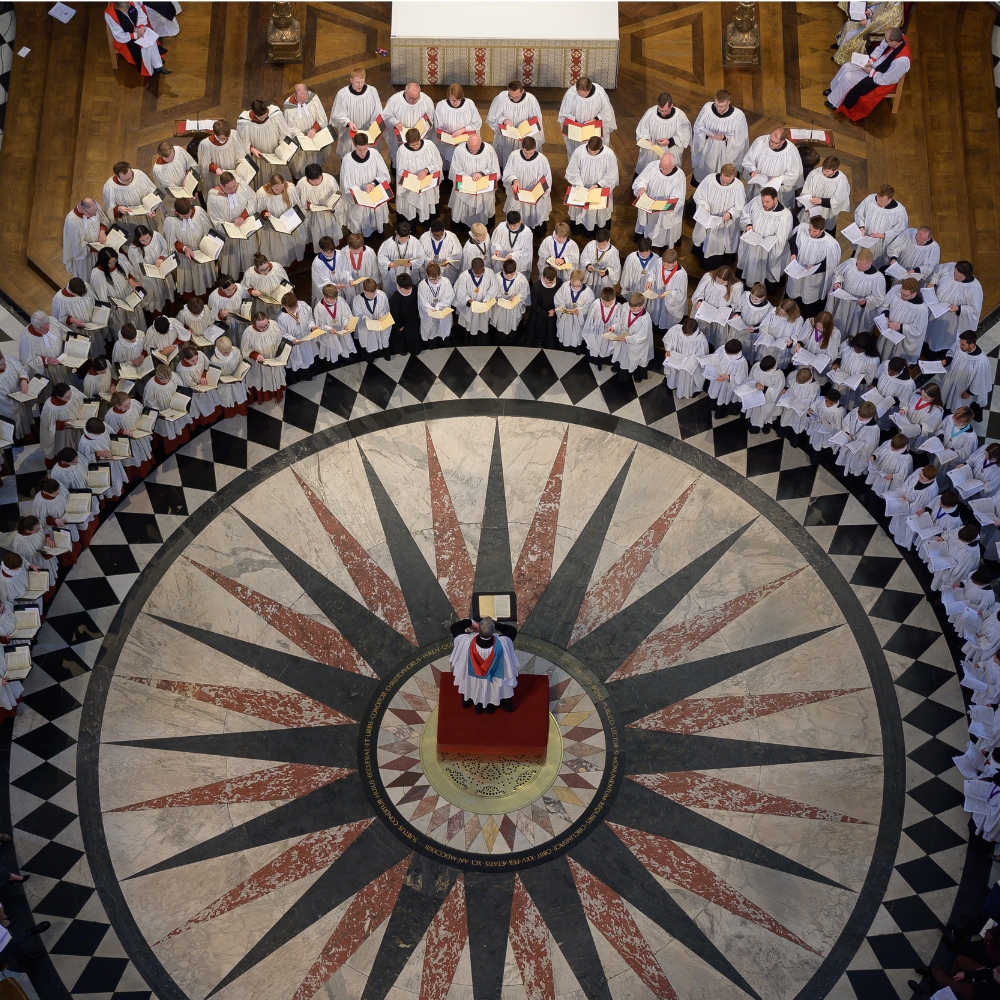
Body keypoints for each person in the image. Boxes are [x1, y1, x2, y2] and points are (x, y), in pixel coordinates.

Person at [828, 27, 911, 121]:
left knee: (849, 77)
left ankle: (835, 102)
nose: (885, 41)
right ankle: (833, 89)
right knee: (847, 66)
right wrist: (871, 61)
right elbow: (881, 48)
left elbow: (886, 79)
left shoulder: (902, 61)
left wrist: (871, 72)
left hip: (879, 79)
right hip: (875, 66)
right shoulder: (899, 37)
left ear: (894, 42)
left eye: (887, 40)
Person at [449, 616, 519, 712]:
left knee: (472, 686)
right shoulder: (503, 642)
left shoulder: (466, 641)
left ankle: (472, 703)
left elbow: (454, 627)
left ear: (478, 629)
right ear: (493, 631)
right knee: (497, 688)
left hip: (473, 677)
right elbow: (511, 630)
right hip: (495, 678)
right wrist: (493, 625)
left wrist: (471, 622)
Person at [786, 215, 842, 318]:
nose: (810, 233)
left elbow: (830, 265)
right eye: (810, 229)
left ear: (822, 230)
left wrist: (814, 268)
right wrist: (794, 253)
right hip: (797, 272)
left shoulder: (830, 244)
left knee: (807, 303)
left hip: (813, 278)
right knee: (794, 295)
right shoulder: (802, 230)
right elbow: (793, 242)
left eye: (814, 231)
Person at [692, 163, 745, 270]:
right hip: (708, 217)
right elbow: (698, 196)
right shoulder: (710, 179)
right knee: (704, 238)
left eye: (727, 182)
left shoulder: (738, 186)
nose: (724, 184)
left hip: (725, 222)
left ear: (734, 177)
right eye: (722, 181)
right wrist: (705, 207)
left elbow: (740, 207)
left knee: (723, 242)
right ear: (721, 173)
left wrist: (730, 214)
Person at [737, 187, 793, 289]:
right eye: (763, 201)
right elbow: (745, 213)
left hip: (767, 251)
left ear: (775, 200)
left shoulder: (785, 216)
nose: (764, 205)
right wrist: (748, 224)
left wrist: (768, 243)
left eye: (767, 202)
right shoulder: (756, 201)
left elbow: (782, 239)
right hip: (752, 245)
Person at [206, 172, 259, 280]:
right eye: (229, 188)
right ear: (222, 186)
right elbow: (217, 221)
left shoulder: (242, 185)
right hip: (229, 235)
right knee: (233, 259)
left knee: (248, 255)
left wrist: (243, 217)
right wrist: (233, 230)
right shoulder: (214, 198)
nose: (233, 190)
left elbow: (252, 202)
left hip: (245, 228)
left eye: (234, 186)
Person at [691, 90, 749, 185]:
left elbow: (740, 139)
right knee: (706, 173)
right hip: (708, 148)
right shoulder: (707, 109)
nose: (718, 108)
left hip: (726, 152)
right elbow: (697, 127)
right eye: (716, 104)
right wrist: (706, 134)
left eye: (721, 106)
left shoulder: (738, 116)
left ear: (728, 102)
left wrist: (724, 137)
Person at [925, 261, 983, 354]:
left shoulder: (974, 288)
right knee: (928, 330)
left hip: (950, 318)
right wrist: (933, 282)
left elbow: (974, 310)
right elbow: (937, 271)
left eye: (959, 277)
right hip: (934, 309)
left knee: (940, 336)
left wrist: (958, 308)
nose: (955, 277)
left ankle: (937, 353)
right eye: (955, 274)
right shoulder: (950, 267)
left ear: (967, 276)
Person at [339, 133, 391, 237]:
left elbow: (385, 175)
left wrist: (373, 183)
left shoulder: (375, 154)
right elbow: (346, 184)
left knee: (377, 222)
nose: (363, 154)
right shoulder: (347, 160)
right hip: (359, 200)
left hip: (374, 196)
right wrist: (360, 193)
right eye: (360, 150)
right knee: (360, 227)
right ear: (354, 145)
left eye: (365, 149)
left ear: (368, 145)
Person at [165, 197, 216, 299]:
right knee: (189, 279)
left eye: (188, 215)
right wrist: (184, 248)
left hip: (202, 252)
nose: (188, 218)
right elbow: (172, 241)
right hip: (185, 257)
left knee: (204, 276)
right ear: (176, 212)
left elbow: (209, 230)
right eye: (184, 216)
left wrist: (207, 244)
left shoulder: (199, 212)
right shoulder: (170, 221)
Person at [487, 80, 545, 170]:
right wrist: (503, 120)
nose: (514, 99)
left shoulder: (530, 100)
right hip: (507, 137)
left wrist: (526, 131)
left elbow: (537, 120)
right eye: (511, 96)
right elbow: (493, 117)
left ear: (522, 91)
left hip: (525, 135)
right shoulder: (502, 98)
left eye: (517, 96)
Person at [565, 136, 619, 233]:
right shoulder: (579, 152)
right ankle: (578, 227)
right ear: (588, 145)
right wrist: (580, 185)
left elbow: (612, 175)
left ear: (601, 146)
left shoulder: (609, 155)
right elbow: (572, 171)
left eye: (595, 152)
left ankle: (597, 230)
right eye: (590, 151)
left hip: (598, 190)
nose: (592, 154)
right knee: (579, 210)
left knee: (597, 211)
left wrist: (598, 185)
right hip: (581, 188)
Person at [632, 152, 686, 249]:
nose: (662, 170)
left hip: (664, 212)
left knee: (662, 232)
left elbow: (678, 200)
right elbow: (641, 180)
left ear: (673, 166)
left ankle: (662, 244)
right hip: (649, 207)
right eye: (661, 167)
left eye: (665, 168)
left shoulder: (679, 176)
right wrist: (641, 188)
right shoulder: (653, 166)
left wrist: (661, 207)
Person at [825, 249, 884, 337]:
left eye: (862, 266)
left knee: (851, 331)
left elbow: (879, 298)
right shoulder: (850, 263)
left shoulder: (878, 278)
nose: (858, 268)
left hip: (857, 309)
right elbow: (838, 273)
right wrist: (837, 282)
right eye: (858, 264)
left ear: (870, 263)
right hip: (842, 302)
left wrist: (865, 301)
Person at [448, 132, 501, 230]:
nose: (473, 152)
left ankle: (484, 225)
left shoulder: (489, 150)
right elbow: (455, 169)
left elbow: (495, 170)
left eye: (476, 150)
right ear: (467, 143)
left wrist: (482, 173)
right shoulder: (459, 150)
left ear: (481, 143)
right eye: (471, 150)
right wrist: (469, 181)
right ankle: (462, 226)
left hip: (483, 187)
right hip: (465, 186)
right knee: (461, 205)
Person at [741, 127, 803, 209]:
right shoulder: (761, 142)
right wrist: (752, 170)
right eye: (770, 140)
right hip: (758, 186)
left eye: (774, 142)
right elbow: (748, 159)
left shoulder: (791, 151)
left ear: (782, 141)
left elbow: (794, 174)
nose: (770, 143)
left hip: (777, 190)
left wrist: (779, 179)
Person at [330, 67, 383, 161]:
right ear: (351, 80)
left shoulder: (372, 91)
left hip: (368, 132)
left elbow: (378, 111)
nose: (360, 85)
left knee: (368, 158)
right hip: (351, 133)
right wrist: (348, 122)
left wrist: (373, 126)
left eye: (362, 82)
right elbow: (338, 114)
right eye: (357, 82)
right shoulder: (343, 94)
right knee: (350, 158)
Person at [502, 136, 553, 233]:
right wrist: (514, 180)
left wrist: (540, 191)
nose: (528, 156)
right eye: (525, 152)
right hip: (519, 194)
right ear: (522, 147)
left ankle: (537, 229)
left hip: (535, 195)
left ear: (535, 148)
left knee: (537, 219)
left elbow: (547, 179)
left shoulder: (542, 159)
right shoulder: (514, 156)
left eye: (531, 153)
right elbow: (507, 173)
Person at [237, 100, 294, 187]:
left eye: (265, 116)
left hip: (275, 152)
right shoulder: (244, 123)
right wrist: (251, 149)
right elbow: (243, 142)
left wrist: (282, 147)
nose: (264, 119)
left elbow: (284, 133)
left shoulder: (275, 114)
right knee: (265, 182)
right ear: (254, 113)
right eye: (261, 118)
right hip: (259, 157)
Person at [104, 1, 168, 76]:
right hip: (126, 38)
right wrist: (134, 35)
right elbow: (119, 35)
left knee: (149, 37)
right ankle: (156, 65)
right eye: (125, 10)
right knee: (145, 46)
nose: (127, 11)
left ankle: (158, 66)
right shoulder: (110, 15)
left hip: (137, 29)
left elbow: (140, 15)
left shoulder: (131, 3)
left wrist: (141, 27)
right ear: (119, 8)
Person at [433, 84, 482, 181]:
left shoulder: (469, 104)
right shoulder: (441, 106)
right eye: (452, 100)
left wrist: (463, 130)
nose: (455, 103)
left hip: (465, 140)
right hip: (448, 142)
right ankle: (449, 178)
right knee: (450, 161)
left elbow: (477, 123)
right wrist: (448, 136)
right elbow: (438, 125)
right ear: (448, 97)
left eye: (458, 100)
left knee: (464, 163)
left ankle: (465, 179)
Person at [558, 76, 617, 157]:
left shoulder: (599, 94)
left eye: (585, 94)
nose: (582, 96)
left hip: (594, 127)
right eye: (580, 94)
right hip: (576, 127)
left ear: (590, 89)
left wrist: (595, 119)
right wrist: (576, 123)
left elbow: (607, 113)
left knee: (593, 149)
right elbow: (565, 113)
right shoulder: (571, 93)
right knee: (577, 151)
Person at [852, 184, 908, 269]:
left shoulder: (899, 211)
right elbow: (859, 213)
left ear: (889, 199)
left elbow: (900, 230)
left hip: (881, 243)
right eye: (878, 199)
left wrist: (884, 235)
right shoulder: (870, 200)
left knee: (876, 264)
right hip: (865, 237)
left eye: (881, 201)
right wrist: (861, 227)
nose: (878, 203)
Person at [395, 126, 443, 225]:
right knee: (411, 205)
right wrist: (411, 176)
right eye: (412, 146)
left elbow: (438, 163)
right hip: (411, 185)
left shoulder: (429, 145)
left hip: (427, 183)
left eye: (416, 144)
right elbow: (400, 171)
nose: (415, 148)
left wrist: (427, 170)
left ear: (420, 138)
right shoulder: (402, 150)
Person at [635, 92, 692, 174]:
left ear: (671, 105)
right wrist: (647, 139)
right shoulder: (651, 113)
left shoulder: (680, 117)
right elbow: (642, 128)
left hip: (670, 151)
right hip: (652, 152)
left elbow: (684, 136)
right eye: (660, 110)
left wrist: (669, 141)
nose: (662, 113)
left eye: (665, 111)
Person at [282, 82, 329, 179]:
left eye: (305, 100)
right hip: (300, 141)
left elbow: (322, 117)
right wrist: (303, 138)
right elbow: (291, 128)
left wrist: (314, 129)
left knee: (316, 161)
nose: (304, 103)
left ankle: (316, 176)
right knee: (300, 165)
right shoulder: (288, 107)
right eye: (301, 101)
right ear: (295, 95)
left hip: (314, 136)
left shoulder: (313, 98)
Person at [296, 163, 347, 251]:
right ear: (307, 178)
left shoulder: (329, 180)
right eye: (313, 181)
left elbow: (338, 197)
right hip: (313, 217)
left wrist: (334, 208)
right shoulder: (301, 185)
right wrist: (308, 206)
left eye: (318, 179)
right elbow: (298, 203)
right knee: (316, 236)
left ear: (321, 175)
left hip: (329, 215)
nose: (316, 183)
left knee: (333, 235)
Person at [833, 1, 903, 65]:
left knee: (850, 34)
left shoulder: (894, 11)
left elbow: (881, 24)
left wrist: (868, 23)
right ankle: (840, 45)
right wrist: (870, 11)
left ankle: (843, 57)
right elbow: (880, 7)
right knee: (848, 24)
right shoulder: (892, 2)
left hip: (876, 30)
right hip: (871, 22)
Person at [103, 160, 160, 237]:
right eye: (126, 180)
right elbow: (108, 208)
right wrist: (118, 209)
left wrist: (153, 209)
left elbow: (153, 191)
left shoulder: (139, 174)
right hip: (128, 220)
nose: (130, 181)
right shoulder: (110, 186)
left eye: (131, 177)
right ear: (117, 176)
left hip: (145, 216)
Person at [383, 82, 435, 167]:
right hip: (400, 139)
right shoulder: (394, 100)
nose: (414, 101)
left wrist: (425, 127)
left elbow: (431, 119)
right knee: (400, 161)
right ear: (405, 92)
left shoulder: (426, 101)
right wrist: (395, 122)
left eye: (416, 98)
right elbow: (386, 116)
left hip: (419, 138)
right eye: (411, 98)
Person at [878, 277, 928, 363]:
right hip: (888, 330)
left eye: (905, 295)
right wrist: (885, 315)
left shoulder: (921, 309)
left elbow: (918, 331)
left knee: (893, 360)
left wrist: (901, 327)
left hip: (901, 339)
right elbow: (885, 304)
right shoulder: (896, 289)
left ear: (914, 293)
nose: (901, 296)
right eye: (901, 292)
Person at [126, 225, 173, 315]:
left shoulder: (156, 236)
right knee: (156, 299)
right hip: (150, 279)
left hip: (162, 271)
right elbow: (137, 268)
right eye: (143, 240)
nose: (146, 242)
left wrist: (161, 258)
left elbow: (165, 249)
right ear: (137, 239)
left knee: (166, 294)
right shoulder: (134, 249)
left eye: (148, 238)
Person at [691, 266, 742, 349]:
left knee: (717, 336)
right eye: (718, 280)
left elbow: (736, 303)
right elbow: (700, 292)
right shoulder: (708, 277)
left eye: (723, 282)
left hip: (720, 316)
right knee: (702, 331)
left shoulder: (736, 286)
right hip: (706, 311)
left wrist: (727, 309)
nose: (720, 283)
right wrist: (699, 301)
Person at [940, 330, 991, 411]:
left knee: (957, 406)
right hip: (951, 379)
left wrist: (969, 392)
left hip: (962, 388)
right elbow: (951, 354)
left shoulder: (980, 361)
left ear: (971, 345)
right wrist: (946, 361)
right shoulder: (959, 345)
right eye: (960, 343)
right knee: (946, 396)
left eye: (963, 344)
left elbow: (979, 380)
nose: (960, 345)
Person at [798, 156, 850, 234]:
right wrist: (807, 203)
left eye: (827, 171)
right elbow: (806, 190)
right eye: (823, 169)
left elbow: (839, 201)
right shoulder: (815, 173)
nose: (824, 173)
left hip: (826, 213)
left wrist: (821, 201)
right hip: (810, 210)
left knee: (823, 232)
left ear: (835, 170)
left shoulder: (841, 180)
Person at [241, 312, 287, 402]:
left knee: (275, 377)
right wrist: (256, 355)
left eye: (266, 325)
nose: (264, 329)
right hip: (260, 363)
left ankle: (276, 393)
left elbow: (279, 339)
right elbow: (245, 350)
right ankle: (265, 396)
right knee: (262, 380)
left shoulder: (273, 325)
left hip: (274, 359)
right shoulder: (248, 332)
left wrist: (281, 350)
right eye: (260, 327)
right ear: (254, 324)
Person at [197, 120, 250, 197]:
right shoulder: (206, 144)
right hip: (218, 175)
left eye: (227, 137)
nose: (225, 139)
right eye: (222, 138)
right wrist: (216, 169)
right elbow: (205, 163)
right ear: (215, 134)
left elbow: (240, 153)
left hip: (234, 171)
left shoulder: (233, 135)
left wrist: (240, 163)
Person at [63, 198, 110, 282]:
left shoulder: (93, 207)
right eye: (92, 214)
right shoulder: (72, 222)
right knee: (89, 279)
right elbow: (78, 247)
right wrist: (97, 247)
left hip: (99, 248)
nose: (95, 215)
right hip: (86, 258)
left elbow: (103, 218)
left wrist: (102, 231)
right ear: (82, 209)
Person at [663, 316, 709, 399]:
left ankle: (688, 390)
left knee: (687, 376)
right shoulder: (676, 329)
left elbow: (703, 356)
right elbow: (667, 338)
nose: (686, 335)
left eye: (688, 334)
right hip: (676, 359)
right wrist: (668, 349)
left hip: (689, 366)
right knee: (674, 373)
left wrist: (692, 360)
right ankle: (673, 384)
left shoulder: (701, 339)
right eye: (685, 333)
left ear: (694, 330)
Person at [377, 220, 425, 299]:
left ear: (409, 232)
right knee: (393, 292)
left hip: (409, 271)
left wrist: (412, 263)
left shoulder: (415, 242)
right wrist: (388, 264)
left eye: (406, 237)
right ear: (396, 232)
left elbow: (420, 257)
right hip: (394, 271)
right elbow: (381, 257)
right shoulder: (388, 243)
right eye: (400, 237)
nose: (403, 240)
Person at [453, 258, 497, 342]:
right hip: (470, 307)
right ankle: (469, 341)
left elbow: (494, 288)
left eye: (481, 273)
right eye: (477, 273)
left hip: (484, 305)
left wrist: (486, 300)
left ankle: (482, 341)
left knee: (483, 324)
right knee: (470, 324)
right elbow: (460, 292)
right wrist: (469, 300)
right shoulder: (464, 276)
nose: (479, 275)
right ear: (472, 268)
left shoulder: (489, 273)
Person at [277, 292, 320, 377]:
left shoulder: (303, 306)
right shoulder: (281, 318)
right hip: (295, 342)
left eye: (295, 307)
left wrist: (312, 327)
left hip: (306, 337)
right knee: (299, 359)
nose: (294, 310)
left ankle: (312, 371)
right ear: (284, 305)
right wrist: (293, 339)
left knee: (308, 355)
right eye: (291, 308)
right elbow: (283, 333)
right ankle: (301, 376)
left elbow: (309, 319)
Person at [153, 140, 198, 218]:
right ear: (160, 156)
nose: (171, 160)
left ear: (173, 149)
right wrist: (185, 195)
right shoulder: (158, 170)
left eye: (172, 157)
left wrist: (187, 177)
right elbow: (170, 189)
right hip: (176, 197)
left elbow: (192, 165)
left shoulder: (179, 151)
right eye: (167, 159)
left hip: (189, 186)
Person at [646, 248, 688, 332]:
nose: (664, 267)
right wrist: (649, 281)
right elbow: (652, 272)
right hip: (657, 293)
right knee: (655, 313)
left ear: (675, 262)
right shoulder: (659, 261)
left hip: (669, 301)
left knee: (665, 318)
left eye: (667, 265)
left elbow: (680, 293)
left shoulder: (681, 274)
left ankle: (663, 330)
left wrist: (668, 294)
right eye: (663, 264)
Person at [312, 287, 357, 365]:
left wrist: (346, 324)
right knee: (333, 352)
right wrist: (329, 329)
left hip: (342, 329)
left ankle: (346, 360)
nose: (334, 301)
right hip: (330, 334)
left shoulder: (340, 300)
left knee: (345, 349)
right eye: (332, 299)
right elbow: (320, 325)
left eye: (335, 298)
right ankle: (336, 363)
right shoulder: (319, 308)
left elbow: (346, 314)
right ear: (324, 296)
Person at [834, 400, 880, 476]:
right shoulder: (856, 411)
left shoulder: (874, 429)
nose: (859, 417)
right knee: (844, 462)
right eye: (858, 415)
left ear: (870, 417)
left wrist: (855, 443)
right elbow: (846, 423)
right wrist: (847, 433)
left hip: (858, 452)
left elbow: (869, 447)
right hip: (847, 442)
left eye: (862, 417)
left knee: (853, 468)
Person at [351, 278, 392, 358]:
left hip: (380, 323)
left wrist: (381, 315)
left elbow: (386, 308)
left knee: (382, 340)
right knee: (370, 344)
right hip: (367, 327)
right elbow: (357, 314)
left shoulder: (382, 295)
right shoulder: (357, 300)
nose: (372, 295)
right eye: (369, 293)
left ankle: (384, 353)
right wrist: (367, 319)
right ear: (364, 290)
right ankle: (370, 358)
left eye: (374, 292)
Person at [743, 354, 785, 431]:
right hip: (755, 394)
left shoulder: (779, 374)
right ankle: (753, 427)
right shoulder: (757, 365)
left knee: (766, 415)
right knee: (755, 413)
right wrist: (752, 385)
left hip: (767, 400)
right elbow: (751, 376)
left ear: (772, 367)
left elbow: (777, 391)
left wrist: (764, 388)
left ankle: (766, 427)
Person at [415, 264, 454, 346]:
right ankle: (432, 344)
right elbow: (422, 301)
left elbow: (449, 297)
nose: (436, 281)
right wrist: (430, 309)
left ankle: (444, 343)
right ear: (427, 274)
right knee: (431, 331)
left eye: (438, 278)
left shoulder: (445, 282)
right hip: (429, 313)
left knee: (443, 329)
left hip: (442, 311)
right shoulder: (422, 285)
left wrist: (438, 307)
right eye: (433, 279)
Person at [707, 338, 748, 414]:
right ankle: (712, 405)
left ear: (736, 352)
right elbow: (715, 356)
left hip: (727, 383)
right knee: (714, 391)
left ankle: (720, 411)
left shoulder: (741, 362)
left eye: (727, 352)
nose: (725, 352)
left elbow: (741, 378)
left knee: (722, 395)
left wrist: (728, 377)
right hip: (717, 377)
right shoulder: (723, 348)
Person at [554, 270, 594, 351]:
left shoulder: (588, 292)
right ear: (570, 280)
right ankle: (564, 348)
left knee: (576, 335)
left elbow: (589, 306)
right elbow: (558, 298)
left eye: (578, 286)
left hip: (578, 319)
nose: (575, 287)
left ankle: (577, 349)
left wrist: (579, 310)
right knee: (566, 334)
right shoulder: (565, 286)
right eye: (573, 285)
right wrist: (562, 307)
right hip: (566, 317)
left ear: (583, 282)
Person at [492, 259, 530, 342]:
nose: (509, 277)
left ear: (515, 270)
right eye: (506, 274)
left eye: (512, 274)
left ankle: (512, 336)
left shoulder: (521, 279)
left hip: (514, 306)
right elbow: (493, 291)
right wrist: (499, 297)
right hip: (500, 305)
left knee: (513, 323)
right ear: (503, 269)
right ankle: (500, 337)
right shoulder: (497, 277)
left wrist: (517, 296)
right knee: (501, 325)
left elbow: (525, 292)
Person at [583, 287, 620, 369]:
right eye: (604, 302)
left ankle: (604, 360)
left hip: (609, 331)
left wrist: (613, 327)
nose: (606, 304)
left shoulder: (618, 307)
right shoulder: (596, 304)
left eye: (608, 302)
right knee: (596, 344)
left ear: (613, 298)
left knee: (605, 347)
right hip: (597, 330)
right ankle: (594, 359)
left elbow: (619, 320)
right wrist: (590, 328)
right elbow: (590, 317)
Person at [523, 266, 559, 350]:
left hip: (553, 311)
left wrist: (555, 309)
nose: (550, 284)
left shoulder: (559, 283)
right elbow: (534, 305)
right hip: (539, 313)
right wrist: (546, 313)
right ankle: (539, 341)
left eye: (552, 282)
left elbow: (561, 297)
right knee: (539, 329)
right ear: (543, 277)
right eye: (547, 282)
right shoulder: (536, 287)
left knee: (551, 331)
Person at [420, 219, 463, 285]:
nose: (438, 238)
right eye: (435, 235)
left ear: (444, 230)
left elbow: (458, 253)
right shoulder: (424, 237)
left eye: (441, 235)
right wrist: (428, 260)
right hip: (430, 268)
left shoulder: (451, 237)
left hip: (446, 269)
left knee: (446, 285)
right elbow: (420, 253)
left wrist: (448, 260)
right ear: (431, 231)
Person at [341, 232, 380, 306]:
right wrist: (348, 278)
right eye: (353, 249)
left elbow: (374, 269)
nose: (355, 251)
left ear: (362, 245)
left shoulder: (369, 253)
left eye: (358, 249)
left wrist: (376, 283)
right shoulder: (344, 252)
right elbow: (342, 268)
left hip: (365, 280)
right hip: (351, 281)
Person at [489, 211, 532, 276]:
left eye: (514, 225)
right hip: (502, 257)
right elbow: (496, 242)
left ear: (520, 221)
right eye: (510, 224)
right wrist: (497, 250)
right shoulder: (501, 228)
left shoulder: (526, 232)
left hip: (517, 259)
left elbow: (526, 251)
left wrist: (513, 256)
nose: (512, 227)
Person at [580, 229, 621, 295]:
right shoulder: (590, 245)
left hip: (603, 279)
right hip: (590, 275)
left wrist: (607, 271)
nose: (601, 247)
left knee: (600, 295)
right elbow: (584, 258)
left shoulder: (613, 252)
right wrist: (588, 265)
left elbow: (616, 269)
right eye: (599, 244)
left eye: (604, 244)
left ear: (609, 240)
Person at [389, 273, 421, 355]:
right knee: (403, 337)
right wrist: (399, 325)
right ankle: (403, 350)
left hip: (414, 317)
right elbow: (395, 314)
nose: (408, 291)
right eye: (406, 289)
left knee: (414, 335)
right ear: (399, 287)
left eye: (409, 288)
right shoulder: (395, 299)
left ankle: (415, 349)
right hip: (403, 322)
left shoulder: (414, 289)